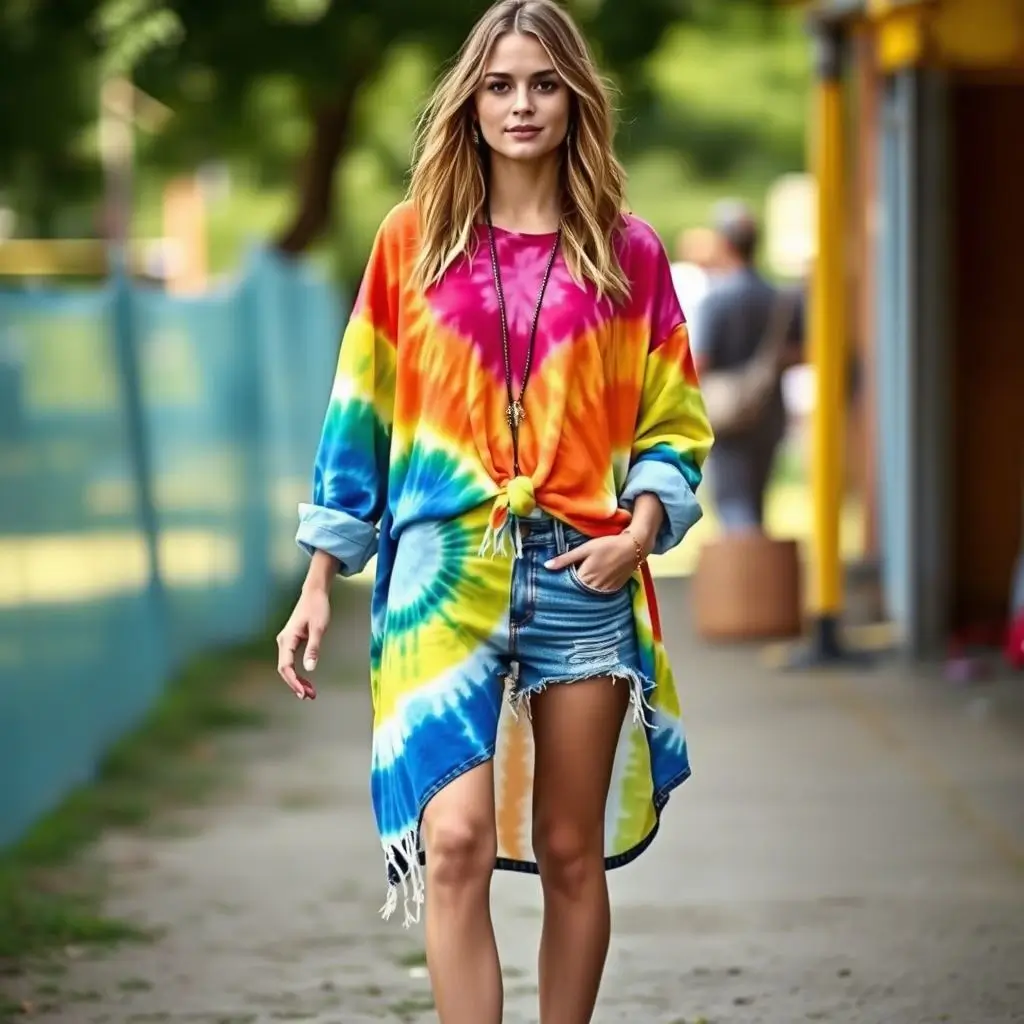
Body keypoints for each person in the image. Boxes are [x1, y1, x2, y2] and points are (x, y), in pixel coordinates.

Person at [275, 2, 713, 1021]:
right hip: (441, 571)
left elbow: (674, 421)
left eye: (544, 83)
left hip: (584, 567)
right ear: (469, 103)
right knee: (457, 836)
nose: (521, 104)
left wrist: (639, 532)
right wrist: (315, 583)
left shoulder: (628, 252)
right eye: (499, 84)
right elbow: (359, 413)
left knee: (569, 847)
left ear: (576, 100)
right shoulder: (410, 243)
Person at [690, 199, 803, 533]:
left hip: (727, 417)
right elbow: (802, 352)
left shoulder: (716, 300)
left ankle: (747, 582)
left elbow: (701, 362)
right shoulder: (781, 299)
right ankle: (757, 578)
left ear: (724, 244)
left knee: (733, 506)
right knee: (756, 502)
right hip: (769, 413)